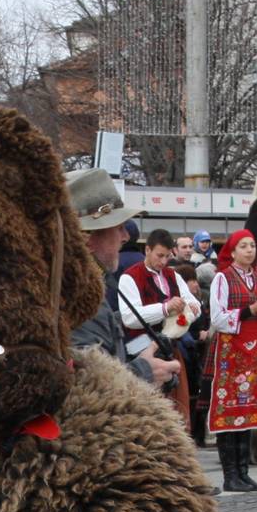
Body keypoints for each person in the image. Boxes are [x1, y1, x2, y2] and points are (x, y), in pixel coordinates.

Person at [65, 168, 180, 396]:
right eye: (118, 228)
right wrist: (144, 372)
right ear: (86, 238)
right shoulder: (76, 297)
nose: (125, 237)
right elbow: (85, 386)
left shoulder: (83, 286)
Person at [207, 229, 257, 491]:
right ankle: (230, 474)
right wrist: (249, 311)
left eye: (252, 245)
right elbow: (217, 318)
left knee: (248, 411)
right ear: (232, 251)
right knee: (229, 412)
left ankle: (243, 472)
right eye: (243, 246)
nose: (249, 250)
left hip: (253, 352)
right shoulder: (223, 278)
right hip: (231, 353)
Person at [118, 228, 199, 419]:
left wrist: (190, 311)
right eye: (159, 255)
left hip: (171, 347)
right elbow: (130, 317)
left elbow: (194, 302)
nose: (163, 261)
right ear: (147, 250)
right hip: (141, 351)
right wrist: (164, 308)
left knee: (176, 408)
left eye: (167, 256)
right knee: (146, 410)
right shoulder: (130, 277)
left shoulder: (173, 275)